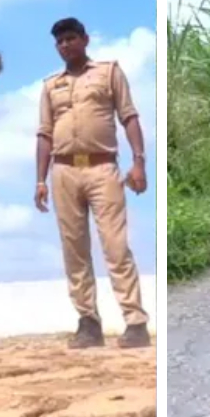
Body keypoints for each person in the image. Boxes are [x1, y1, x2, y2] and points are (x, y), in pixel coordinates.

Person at [35, 17, 151, 350]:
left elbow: (128, 117)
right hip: (64, 171)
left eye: (71, 39)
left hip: (103, 168)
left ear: (85, 39)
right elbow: (44, 134)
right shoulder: (50, 85)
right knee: (74, 251)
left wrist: (139, 162)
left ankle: (135, 322)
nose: (65, 45)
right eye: (59, 42)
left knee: (115, 246)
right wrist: (39, 180)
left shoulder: (108, 72)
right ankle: (88, 322)